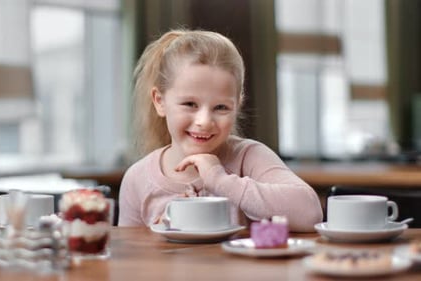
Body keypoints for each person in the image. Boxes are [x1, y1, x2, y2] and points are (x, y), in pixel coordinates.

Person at [118, 29, 322, 232]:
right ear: (159, 101)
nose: (204, 121)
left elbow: (310, 213)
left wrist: (220, 180)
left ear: (237, 104)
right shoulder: (138, 179)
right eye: (190, 104)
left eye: (221, 107)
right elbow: (129, 254)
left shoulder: (248, 157)